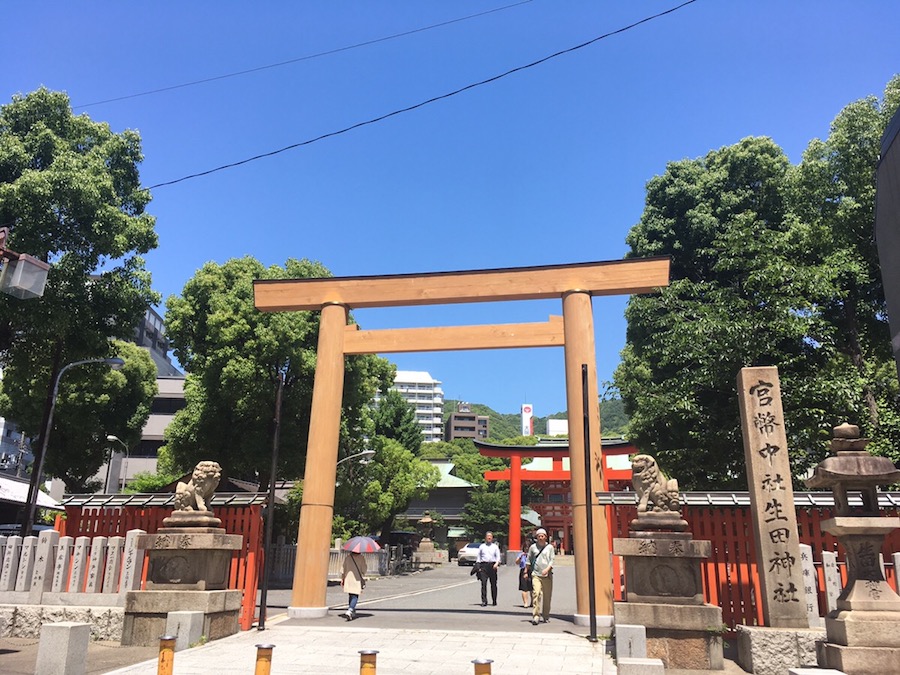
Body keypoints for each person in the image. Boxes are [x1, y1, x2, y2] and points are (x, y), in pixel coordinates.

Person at [527, 528, 554, 625]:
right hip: (536, 574)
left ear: (545, 537)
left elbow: (552, 560)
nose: (541, 538)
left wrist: (547, 569)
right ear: (536, 537)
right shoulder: (533, 547)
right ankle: (536, 615)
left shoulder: (550, 547)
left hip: (547, 575)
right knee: (536, 593)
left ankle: (546, 615)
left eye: (542, 536)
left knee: (547, 596)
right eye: (539, 536)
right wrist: (526, 571)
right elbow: (529, 559)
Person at [476, 531, 501, 606]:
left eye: (490, 536)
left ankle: (494, 600)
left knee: (493, 584)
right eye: (488, 536)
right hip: (484, 566)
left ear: (492, 538)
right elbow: (478, 558)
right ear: (485, 538)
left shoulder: (495, 547)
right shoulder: (482, 546)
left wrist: (497, 564)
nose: (489, 537)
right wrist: (478, 567)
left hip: (492, 566)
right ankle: (484, 601)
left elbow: (498, 557)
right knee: (483, 584)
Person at [340, 551, 367, 620]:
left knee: (351, 595)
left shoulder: (348, 558)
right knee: (355, 595)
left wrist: (342, 579)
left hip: (348, 579)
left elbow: (343, 569)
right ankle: (350, 610)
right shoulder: (361, 558)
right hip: (357, 579)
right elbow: (364, 570)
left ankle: (352, 611)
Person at [515, 543, 532, 607]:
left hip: (531, 570)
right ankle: (525, 603)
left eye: (528, 547)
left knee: (532, 588)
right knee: (524, 587)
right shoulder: (521, 554)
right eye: (525, 547)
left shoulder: (532, 554)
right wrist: (520, 557)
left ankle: (532, 602)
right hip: (523, 570)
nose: (527, 549)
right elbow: (516, 562)